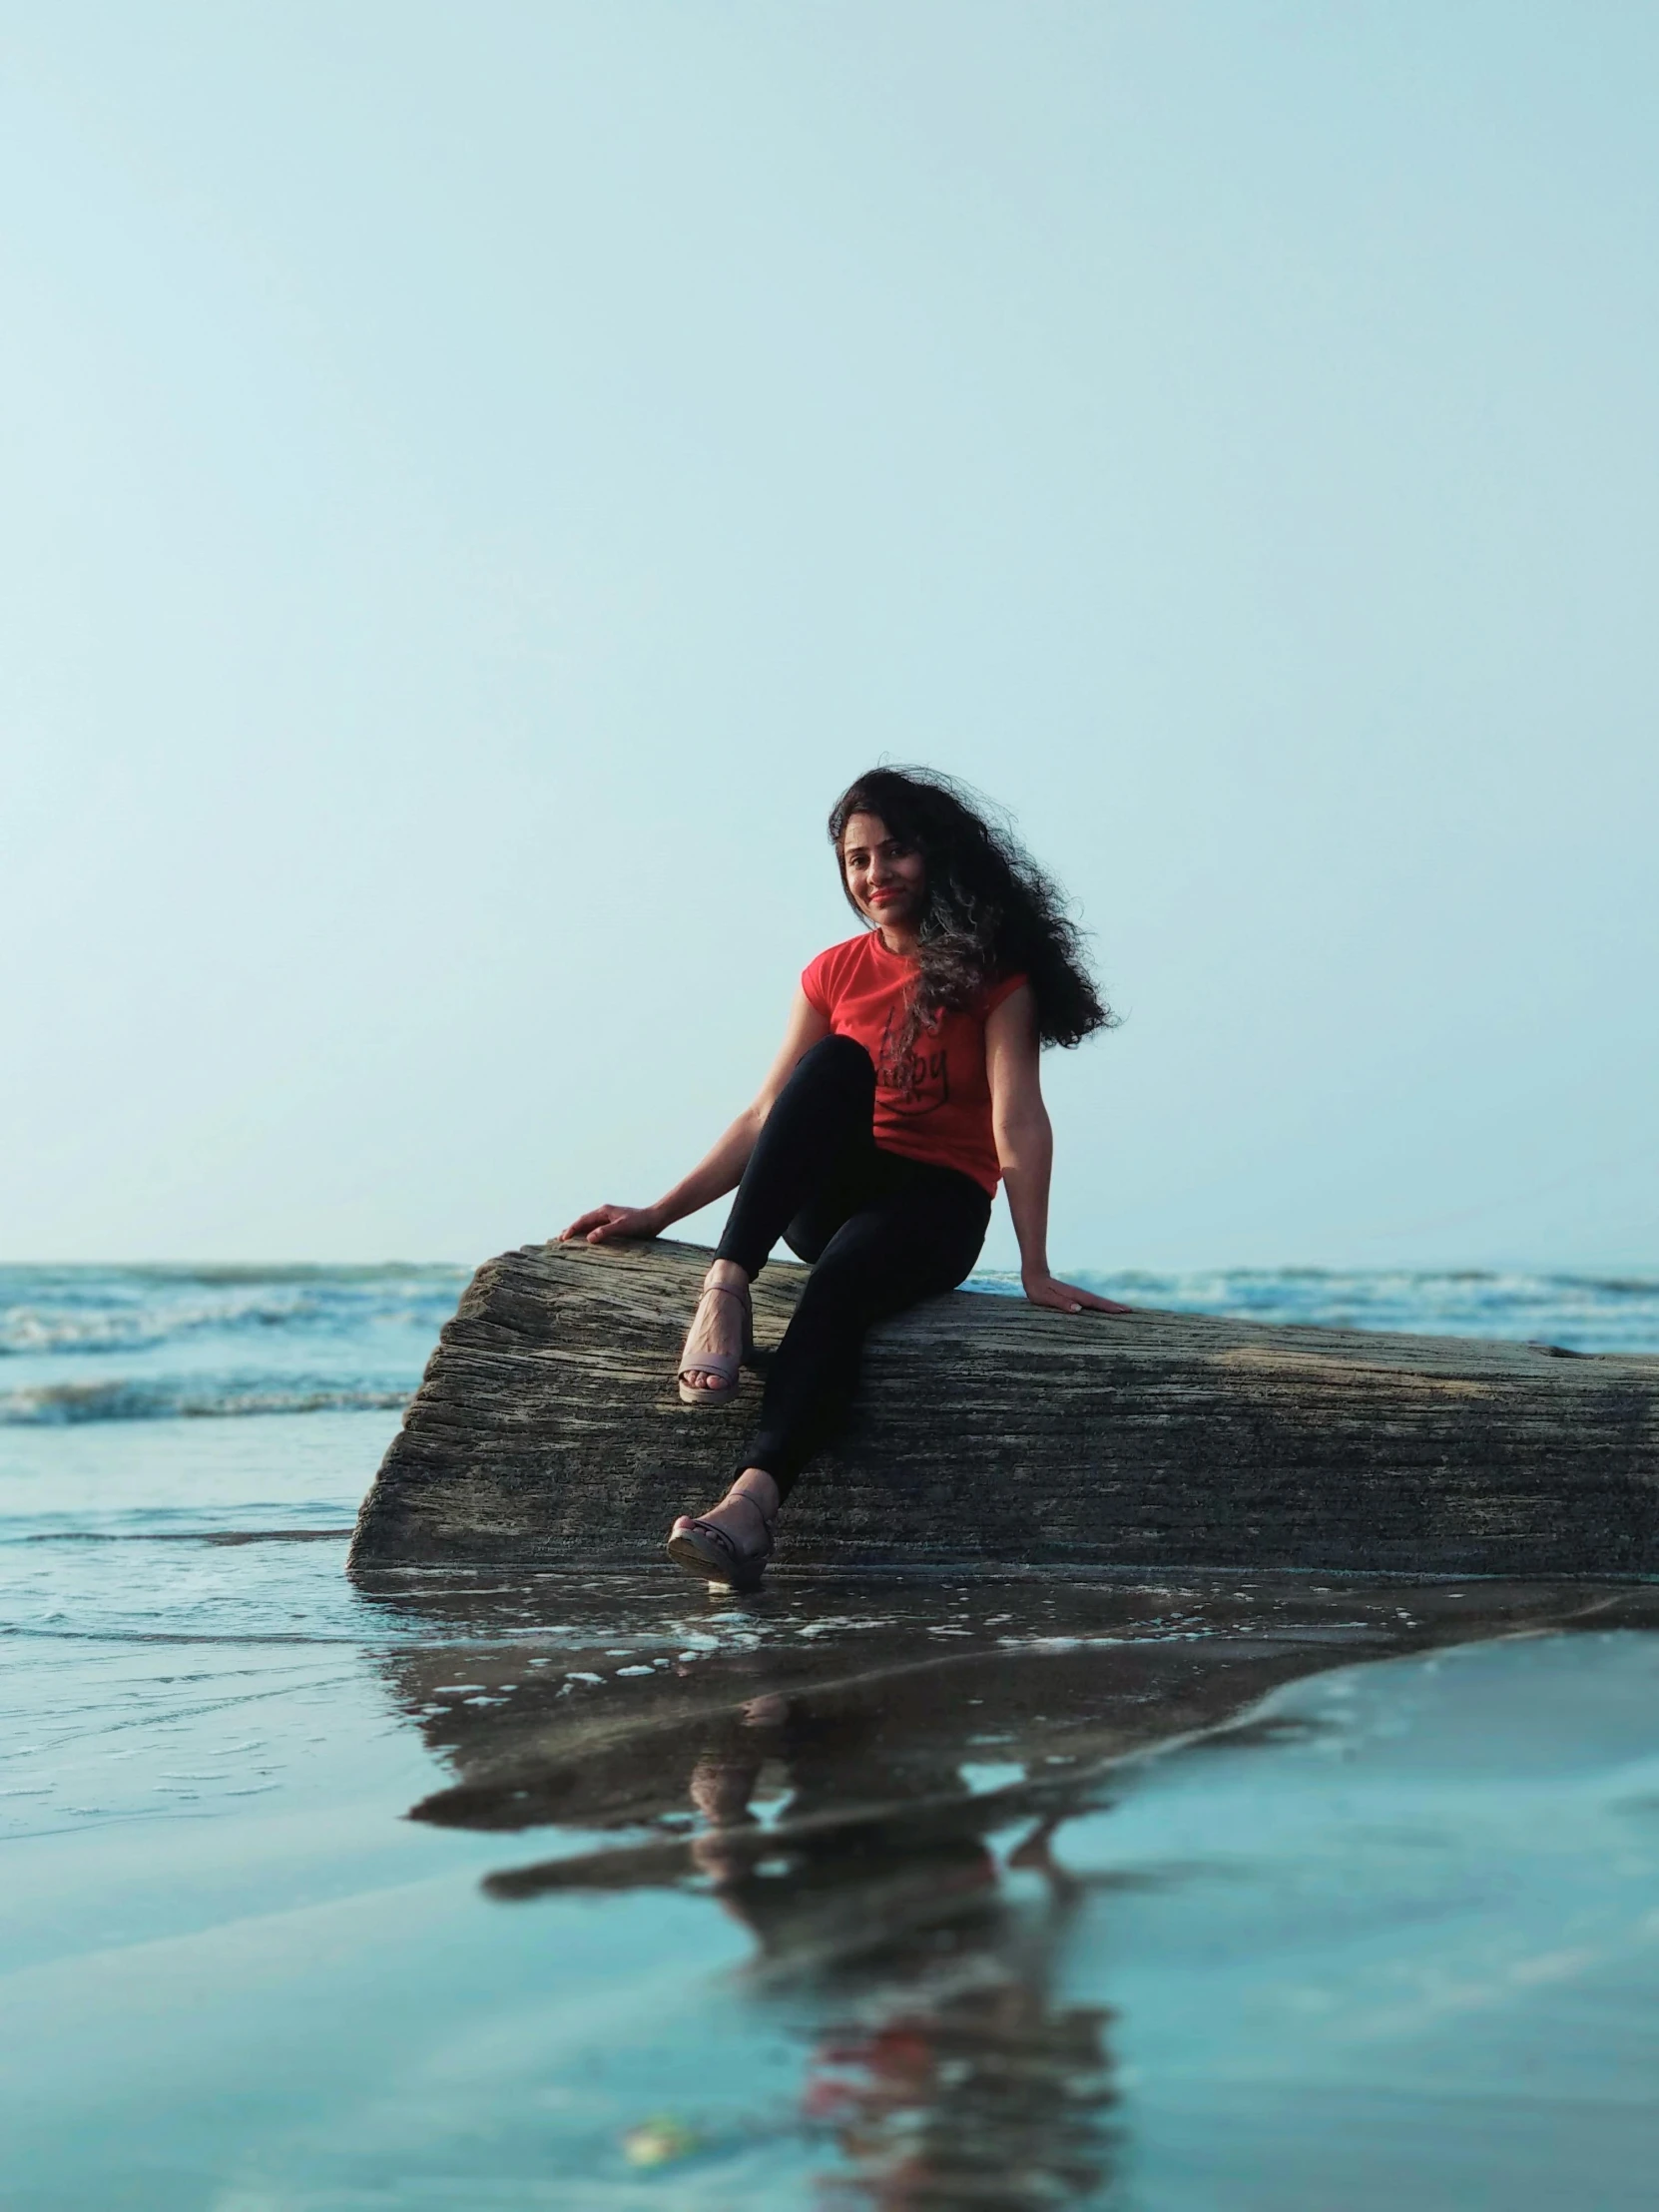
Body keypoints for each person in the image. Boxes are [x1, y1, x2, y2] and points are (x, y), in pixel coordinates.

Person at [560, 767, 1127, 1588]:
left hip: (935, 1207)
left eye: (895, 852)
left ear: (938, 857)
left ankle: (748, 1509)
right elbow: (765, 1118)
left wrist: (1032, 1266)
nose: (875, 875)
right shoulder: (833, 971)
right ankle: (725, 1291)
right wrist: (658, 1213)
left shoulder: (997, 978)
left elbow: (1017, 1121)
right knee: (827, 1067)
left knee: (843, 1282)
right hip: (833, 1193)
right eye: (858, 859)